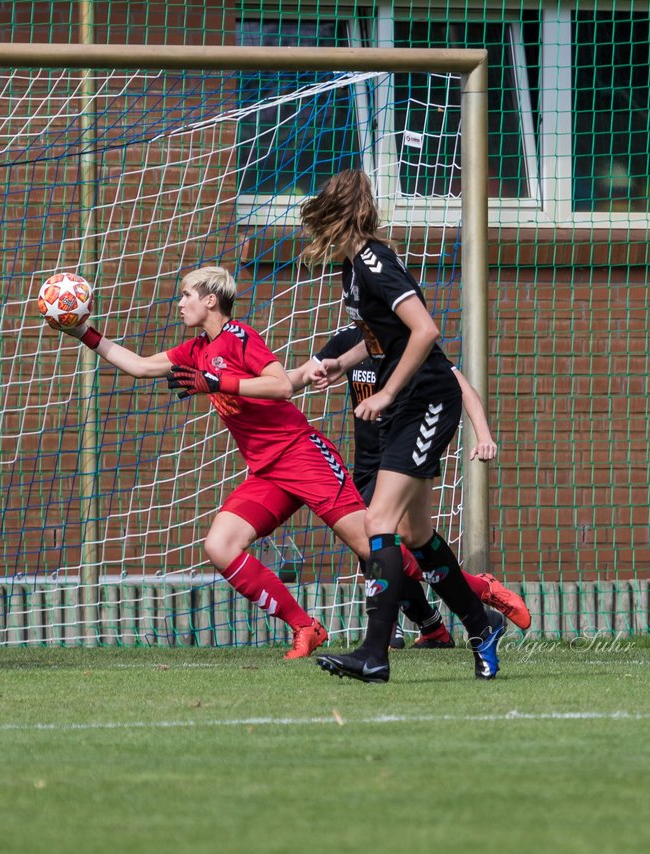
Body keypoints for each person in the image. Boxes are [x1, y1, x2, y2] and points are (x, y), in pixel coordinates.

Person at [52, 265, 418, 661]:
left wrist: (217, 383)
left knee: (371, 545)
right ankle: (305, 627)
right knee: (221, 545)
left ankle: (468, 597)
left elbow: (280, 385)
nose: (179, 304)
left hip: (302, 455)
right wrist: (82, 333)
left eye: (186, 295)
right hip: (266, 472)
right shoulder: (195, 349)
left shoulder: (239, 337)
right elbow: (139, 366)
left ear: (210, 300)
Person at [297, 169, 505, 683]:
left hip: (426, 400)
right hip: (407, 406)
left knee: (378, 524)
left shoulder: (372, 259)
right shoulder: (353, 269)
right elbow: (379, 339)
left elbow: (425, 329)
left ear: (333, 216)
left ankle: (374, 653)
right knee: (414, 532)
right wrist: (339, 367)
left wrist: (387, 392)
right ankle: (482, 626)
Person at [289, 324, 530, 649]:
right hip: (366, 464)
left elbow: (463, 388)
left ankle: (400, 626)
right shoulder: (348, 339)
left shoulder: (403, 338)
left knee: (378, 542)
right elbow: (306, 372)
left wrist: (484, 436)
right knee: (374, 548)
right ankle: (438, 623)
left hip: (400, 457)